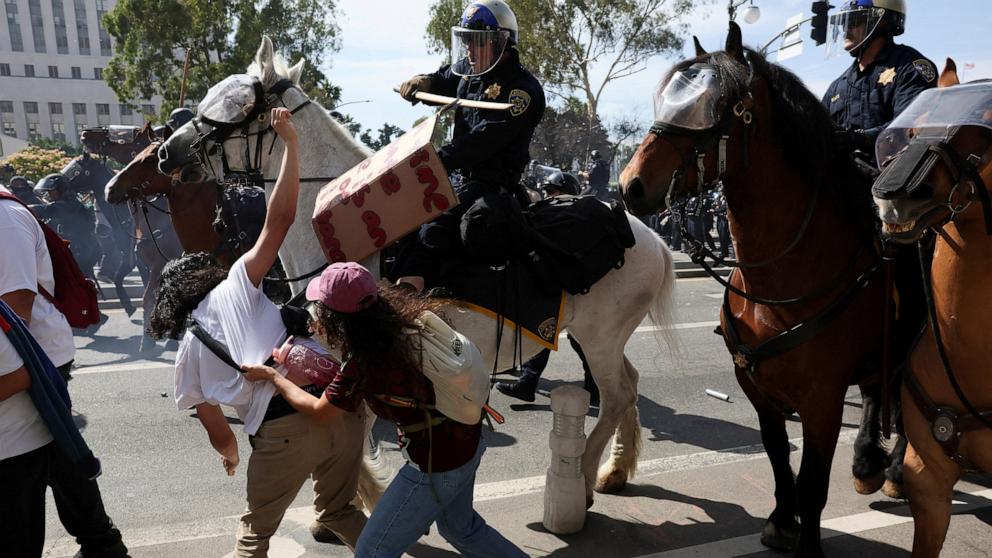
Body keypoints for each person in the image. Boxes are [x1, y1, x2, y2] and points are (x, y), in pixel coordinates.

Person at [147, 108, 369, 556]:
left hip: (281, 436)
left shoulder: (186, 356)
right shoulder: (236, 285)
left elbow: (222, 437)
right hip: (340, 415)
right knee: (342, 511)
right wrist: (290, 143)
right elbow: (281, 218)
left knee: (255, 536)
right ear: (205, 274)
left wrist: (230, 459)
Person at [243, 262, 528, 558]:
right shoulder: (407, 318)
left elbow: (320, 411)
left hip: (435, 465)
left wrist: (273, 377)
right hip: (469, 437)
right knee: (462, 529)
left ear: (336, 317)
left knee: (371, 551)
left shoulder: (363, 362)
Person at [1, 185, 128, 558]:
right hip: (26, 352)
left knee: (36, 453)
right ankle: (102, 543)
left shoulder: (5, 220)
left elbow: (16, 309)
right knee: (59, 447)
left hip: (33, 354)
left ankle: (101, 541)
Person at [396, 0, 545, 291]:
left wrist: (435, 160)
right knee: (403, 225)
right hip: (455, 178)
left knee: (433, 233)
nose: (469, 49)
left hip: (491, 185)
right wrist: (422, 82)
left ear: (500, 42)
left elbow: (482, 141)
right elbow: (444, 78)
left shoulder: (521, 91)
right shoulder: (470, 69)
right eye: (465, 41)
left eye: (476, 42)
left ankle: (408, 300)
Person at [496, 170, 600, 406]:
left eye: (554, 191)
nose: (548, 196)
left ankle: (531, 384)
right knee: (558, 335)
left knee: (562, 336)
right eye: (547, 192)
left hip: (570, 290)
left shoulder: (573, 217)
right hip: (557, 287)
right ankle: (532, 383)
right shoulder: (554, 215)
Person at [822, 0, 935, 165]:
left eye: (853, 21)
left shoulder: (910, 68)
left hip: (890, 176)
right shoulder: (838, 86)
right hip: (841, 180)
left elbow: (908, 126)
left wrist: (860, 139)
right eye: (844, 24)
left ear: (881, 22)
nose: (846, 30)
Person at [32, 173, 101, 281]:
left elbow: (43, 210)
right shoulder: (68, 203)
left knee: (72, 284)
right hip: (79, 250)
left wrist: (19, 207)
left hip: (79, 251)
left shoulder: (68, 205)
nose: (49, 194)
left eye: (51, 191)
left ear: (61, 189)